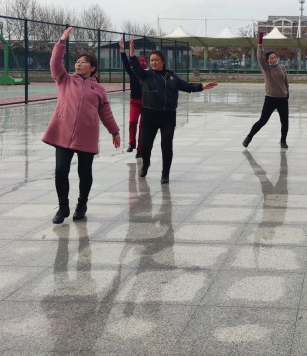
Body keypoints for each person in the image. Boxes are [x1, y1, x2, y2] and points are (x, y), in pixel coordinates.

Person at [42, 27, 120, 224]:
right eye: (77, 61)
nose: (79, 63)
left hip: (87, 134)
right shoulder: (64, 80)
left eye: (84, 62)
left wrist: (114, 131)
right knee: (61, 170)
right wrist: (61, 42)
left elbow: (105, 112)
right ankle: (63, 207)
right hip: (63, 132)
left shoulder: (99, 89)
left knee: (84, 172)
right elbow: (55, 63)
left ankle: (82, 204)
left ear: (92, 68)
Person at [126, 43, 218, 184]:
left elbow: (187, 86)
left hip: (168, 116)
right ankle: (146, 164)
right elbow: (135, 68)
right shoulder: (146, 75)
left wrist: (202, 86)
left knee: (166, 145)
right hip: (150, 115)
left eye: (156, 60)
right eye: (151, 60)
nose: (153, 62)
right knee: (145, 145)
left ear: (163, 61)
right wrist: (132, 54)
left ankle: (165, 173)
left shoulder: (172, 77)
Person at [243, 32, 290, 149]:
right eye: (271, 58)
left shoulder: (282, 68)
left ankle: (283, 140)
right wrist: (260, 44)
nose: (274, 59)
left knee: (285, 121)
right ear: (268, 60)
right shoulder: (266, 68)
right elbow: (259, 57)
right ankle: (249, 136)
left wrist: (287, 93)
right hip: (270, 99)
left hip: (283, 99)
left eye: (275, 57)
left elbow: (286, 83)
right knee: (263, 120)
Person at [119, 39, 148, 157]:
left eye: (143, 63)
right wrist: (122, 50)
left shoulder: (148, 75)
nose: (141, 65)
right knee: (132, 122)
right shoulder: (133, 73)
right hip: (134, 102)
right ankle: (132, 143)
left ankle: (140, 149)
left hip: (146, 103)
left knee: (142, 126)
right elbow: (126, 63)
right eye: (139, 63)